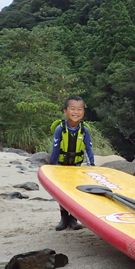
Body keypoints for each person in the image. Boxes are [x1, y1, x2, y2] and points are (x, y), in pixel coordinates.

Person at [49, 95, 95, 231]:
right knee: (63, 193)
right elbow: (55, 149)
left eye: (80, 109)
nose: (76, 112)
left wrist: (92, 166)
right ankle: (64, 219)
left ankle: (73, 219)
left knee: (74, 193)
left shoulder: (84, 130)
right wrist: (51, 166)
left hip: (76, 166)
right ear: (65, 111)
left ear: (83, 112)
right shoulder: (60, 129)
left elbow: (88, 149)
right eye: (72, 109)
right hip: (61, 166)